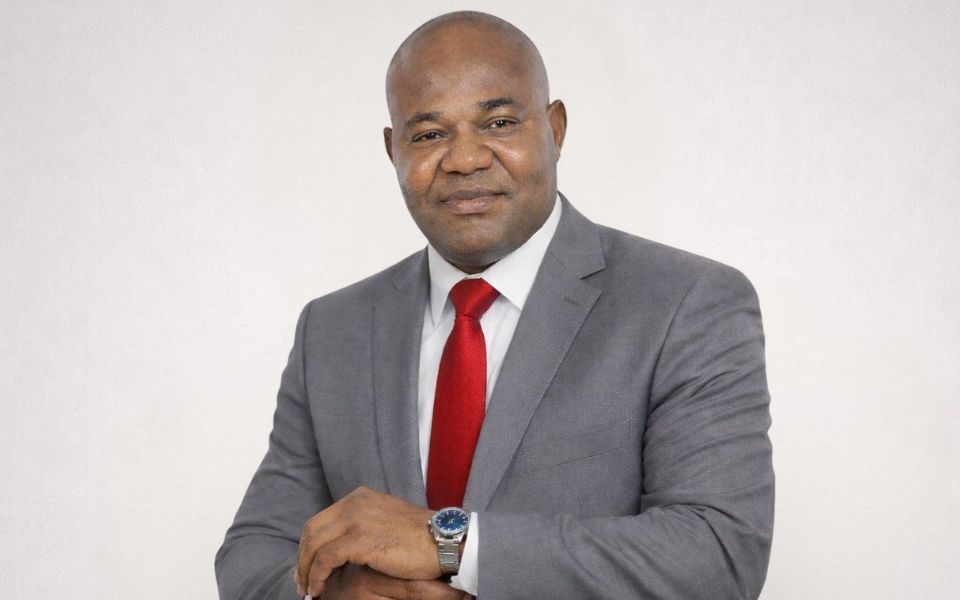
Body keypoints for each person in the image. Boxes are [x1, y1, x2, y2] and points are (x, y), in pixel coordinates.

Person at [216, 10, 774, 600]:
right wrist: (325, 595)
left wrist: (447, 544)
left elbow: (718, 556)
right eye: (429, 134)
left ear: (554, 129)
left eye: (500, 122)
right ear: (393, 150)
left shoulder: (685, 303)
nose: (464, 159)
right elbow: (253, 554)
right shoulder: (333, 330)